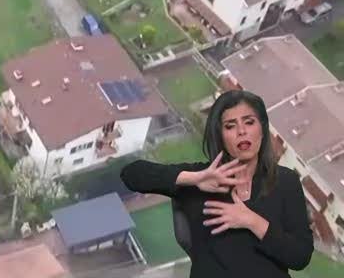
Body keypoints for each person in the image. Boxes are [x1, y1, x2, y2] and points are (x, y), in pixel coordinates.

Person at [120, 90, 313, 278]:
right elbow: (131, 174)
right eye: (230, 126)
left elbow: (299, 257)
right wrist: (194, 178)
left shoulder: (285, 181)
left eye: (249, 122)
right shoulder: (201, 178)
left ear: (262, 129)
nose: (242, 131)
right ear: (219, 135)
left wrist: (252, 221)